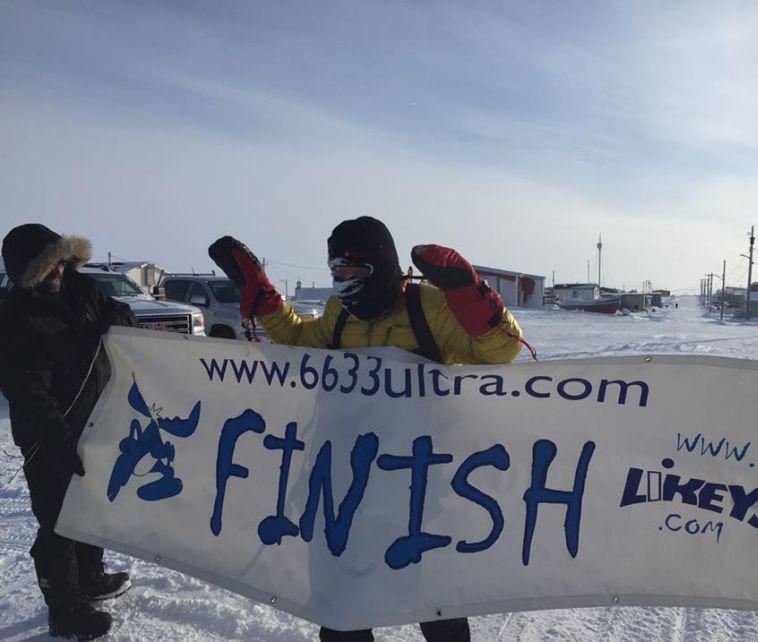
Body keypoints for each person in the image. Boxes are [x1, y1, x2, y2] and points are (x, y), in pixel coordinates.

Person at [209, 216, 527, 642]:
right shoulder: (341, 312)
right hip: (346, 481)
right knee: (341, 599)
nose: (343, 284)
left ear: (382, 267)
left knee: (434, 601)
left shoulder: (428, 307)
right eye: (336, 274)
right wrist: (265, 300)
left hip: (417, 484)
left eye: (353, 273)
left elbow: (500, 352)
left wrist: (469, 295)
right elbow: (305, 345)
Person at [0, 224, 135, 640]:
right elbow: (26, 390)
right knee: (58, 518)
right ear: (27, 271)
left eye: (59, 261)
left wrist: (120, 317)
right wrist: (56, 441)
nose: (57, 271)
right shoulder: (15, 317)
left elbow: (117, 314)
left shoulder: (83, 290)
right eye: (46, 266)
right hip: (47, 432)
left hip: (94, 420)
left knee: (90, 505)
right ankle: (65, 607)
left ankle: (90, 576)